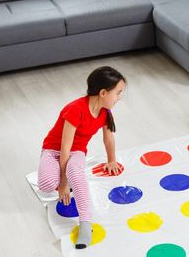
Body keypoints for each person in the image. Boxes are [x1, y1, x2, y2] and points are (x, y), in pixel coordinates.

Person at [37, 66, 126, 249]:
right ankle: (63, 176)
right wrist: (63, 183)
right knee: (46, 185)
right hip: (54, 151)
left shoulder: (105, 113)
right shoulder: (75, 109)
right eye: (118, 93)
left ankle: (86, 224)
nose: (119, 97)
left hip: (77, 153)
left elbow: (108, 139)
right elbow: (64, 147)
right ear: (103, 92)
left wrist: (111, 160)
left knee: (76, 173)